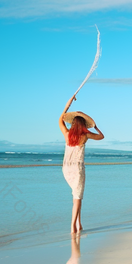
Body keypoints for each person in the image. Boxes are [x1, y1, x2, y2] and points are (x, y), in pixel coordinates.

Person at [58, 95, 104, 233]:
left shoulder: (67, 134)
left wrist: (68, 104)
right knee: (77, 197)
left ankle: (79, 223)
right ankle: (73, 226)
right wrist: (95, 126)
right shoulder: (85, 135)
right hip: (77, 169)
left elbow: (60, 119)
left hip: (66, 168)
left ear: (73, 124)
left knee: (76, 195)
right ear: (83, 125)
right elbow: (101, 137)